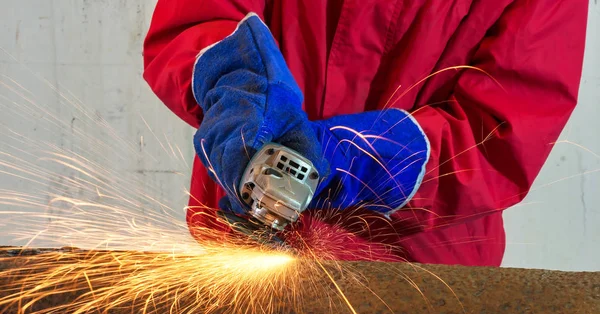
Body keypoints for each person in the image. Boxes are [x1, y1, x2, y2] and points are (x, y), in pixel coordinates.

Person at [143, 0, 588, 266]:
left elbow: (501, 131)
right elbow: (199, 17)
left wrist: (364, 160)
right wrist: (239, 88)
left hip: (418, 279)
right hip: (243, 244)